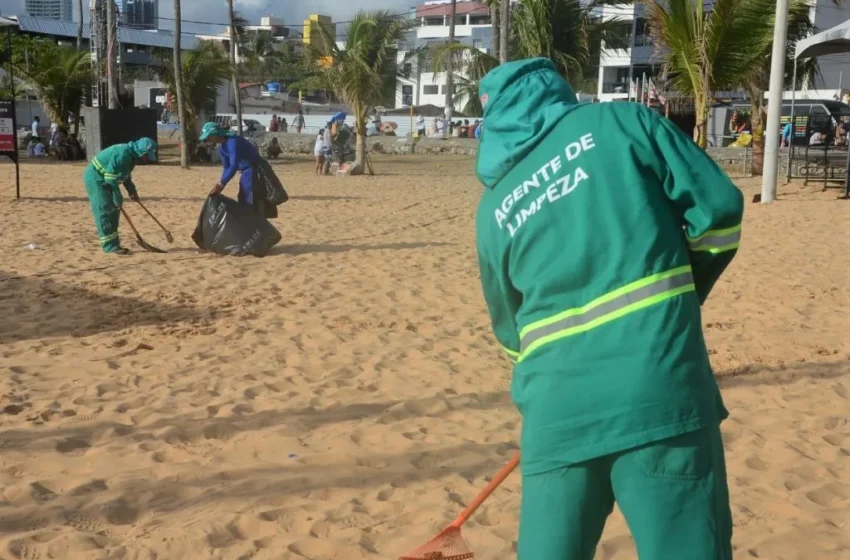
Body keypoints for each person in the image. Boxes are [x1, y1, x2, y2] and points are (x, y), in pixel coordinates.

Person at [474, 58, 743, 560]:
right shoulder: (622, 123)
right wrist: (687, 286)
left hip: (555, 414)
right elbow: (720, 211)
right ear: (555, 91)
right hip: (658, 392)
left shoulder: (494, 208)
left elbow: (511, 334)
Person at [84, 138, 157, 255]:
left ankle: (115, 243)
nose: (147, 159)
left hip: (108, 179)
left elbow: (125, 175)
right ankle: (109, 247)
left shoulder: (132, 157)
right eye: (147, 155)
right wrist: (117, 195)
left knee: (114, 210)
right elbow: (110, 177)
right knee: (104, 209)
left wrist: (132, 191)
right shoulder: (122, 154)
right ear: (142, 151)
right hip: (95, 178)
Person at [199, 122, 270, 212]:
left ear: (215, 133)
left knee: (248, 199)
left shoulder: (233, 141)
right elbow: (226, 167)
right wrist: (220, 186)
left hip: (254, 170)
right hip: (246, 171)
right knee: (243, 198)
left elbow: (233, 166)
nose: (208, 139)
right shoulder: (222, 147)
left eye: (209, 136)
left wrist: (221, 184)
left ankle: (255, 222)